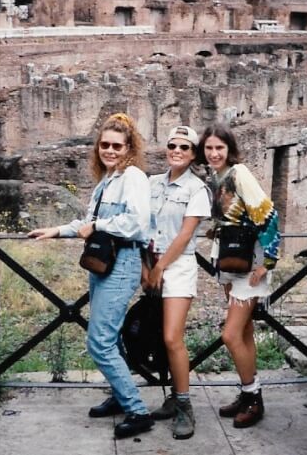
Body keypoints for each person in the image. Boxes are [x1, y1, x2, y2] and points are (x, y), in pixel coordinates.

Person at [28, 113, 154, 439]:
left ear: (129, 148)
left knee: (98, 342)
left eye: (116, 145)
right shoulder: (106, 181)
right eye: (104, 145)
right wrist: (55, 230)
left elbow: (137, 224)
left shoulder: (134, 177)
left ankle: (138, 411)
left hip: (123, 264)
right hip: (102, 265)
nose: (109, 150)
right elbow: (87, 222)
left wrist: (98, 226)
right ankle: (119, 395)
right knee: (109, 338)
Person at [197, 123, 281, 429]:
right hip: (230, 261)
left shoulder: (240, 173)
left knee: (230, 334)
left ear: (229, 149)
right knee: (243, 334)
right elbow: (234, 214)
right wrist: (215, 227)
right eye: (209, 148)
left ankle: (254, 399)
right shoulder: (214, 177)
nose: (214, 153)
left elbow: (268, 214)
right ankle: (247, 394)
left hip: (251, 265)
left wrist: (269, 261)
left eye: (219, 148)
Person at [145, 126, 211, 440]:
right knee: (158, 336)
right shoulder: (151, 183)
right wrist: (147, 268)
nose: (177, 151)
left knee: (173, 338)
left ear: (194, 154)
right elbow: (144, 227)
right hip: (152, 265)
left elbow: (186, 235)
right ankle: (172, 397)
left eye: (185, 147)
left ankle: (185, 405)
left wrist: (159, 268)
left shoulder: (197, 189)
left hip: (178, 266)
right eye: (173, 145)